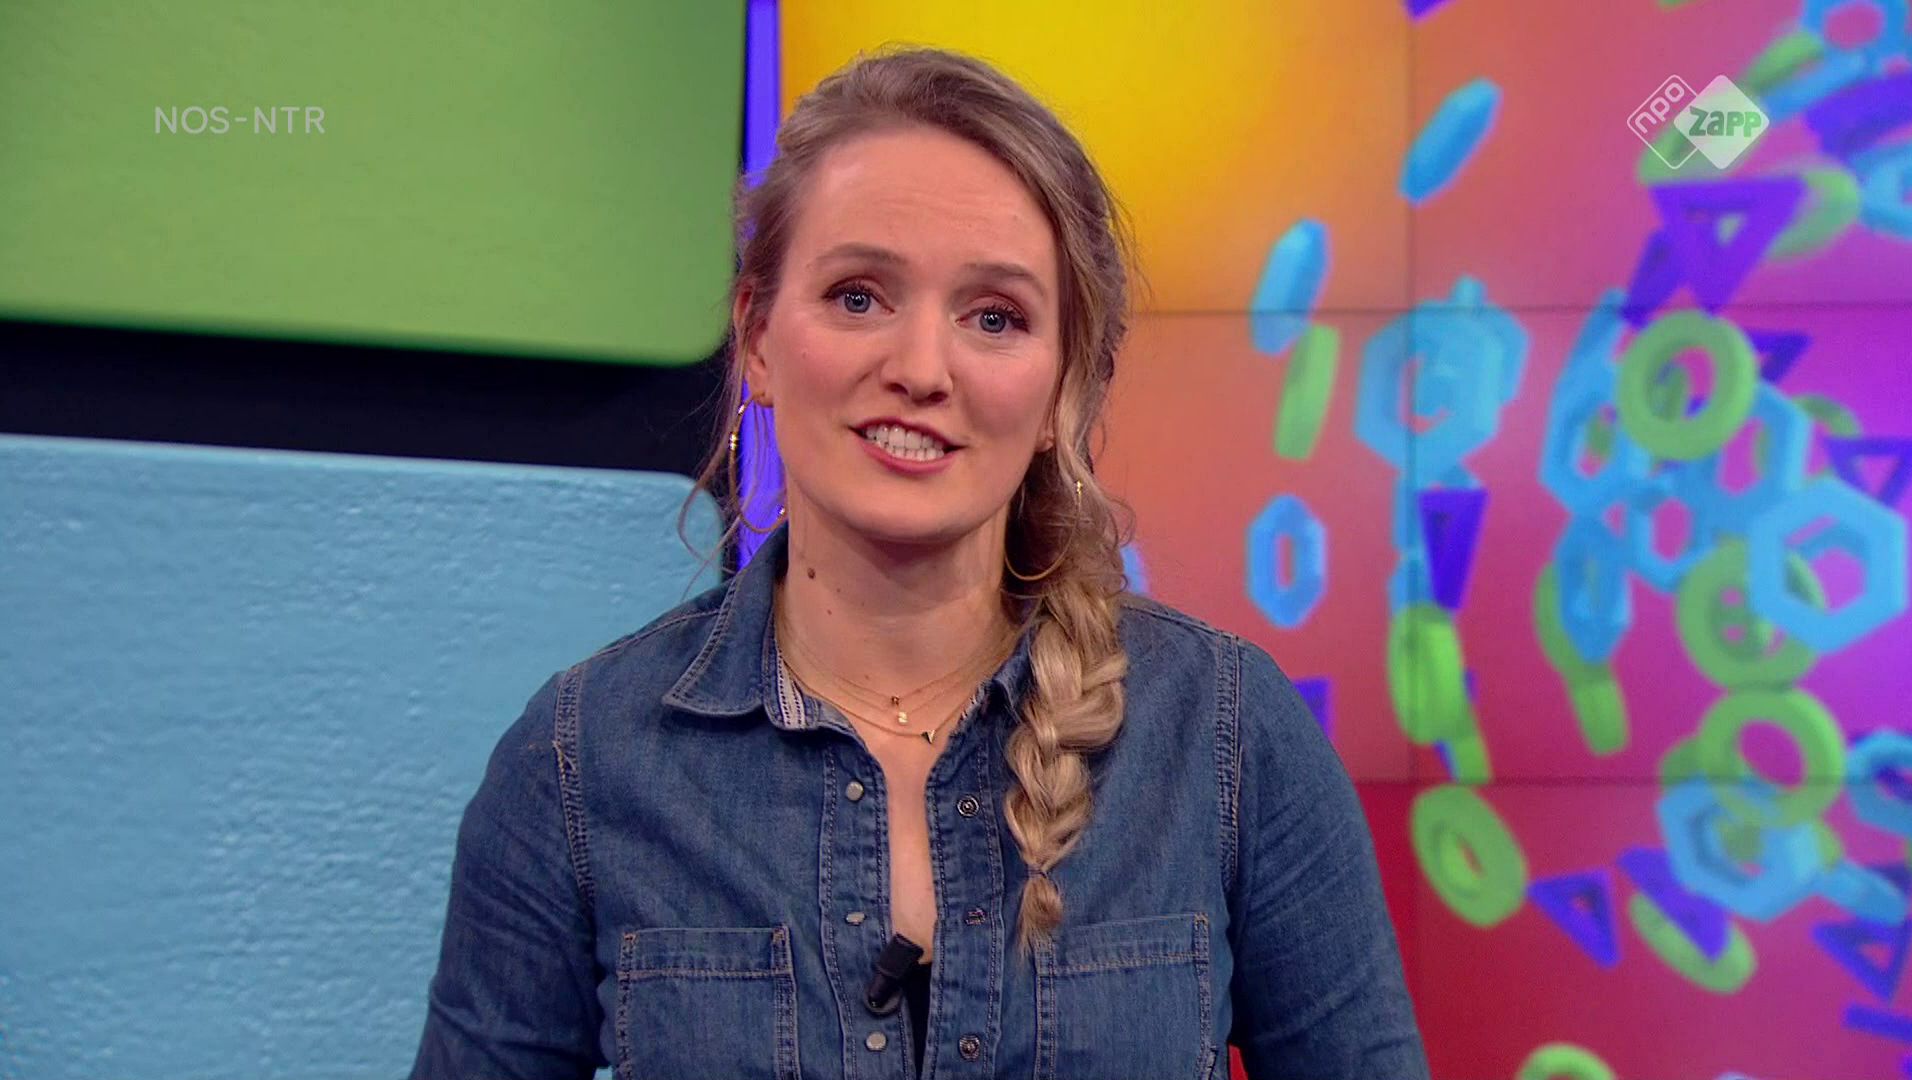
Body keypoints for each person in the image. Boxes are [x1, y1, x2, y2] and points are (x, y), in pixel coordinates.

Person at [410, 44, 1429, 1080]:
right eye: (859, 296)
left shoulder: (1224, 734)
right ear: (758, 338)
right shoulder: (580, 761)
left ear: (1063, 388)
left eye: (994, 317)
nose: (921, 369)